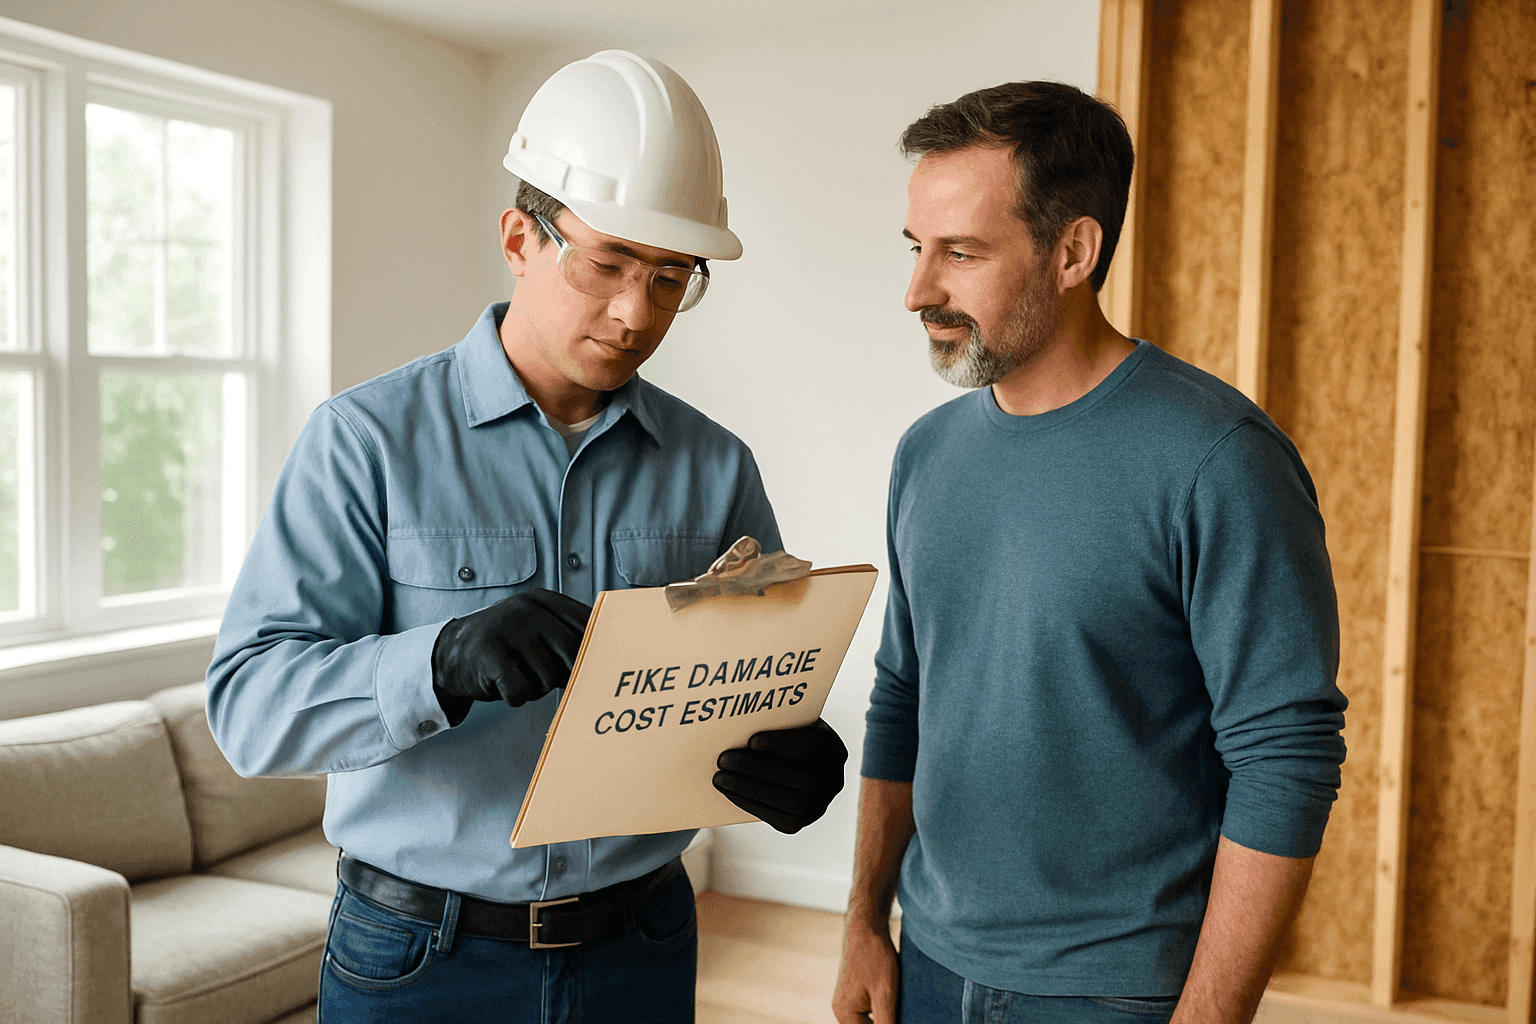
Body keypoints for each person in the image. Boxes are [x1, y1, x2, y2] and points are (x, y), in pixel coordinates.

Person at [207, 50, 847, 1024]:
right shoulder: (364, 443)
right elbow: (248, 708)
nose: (636, 312)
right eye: (608, 265)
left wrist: (791, 759)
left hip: (643, 950)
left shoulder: (719, 469)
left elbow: (743, 692)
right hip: (421, 963)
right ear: (519, 235)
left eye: (672, 278)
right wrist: (436, 664)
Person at [831, 81, 1348, 1024]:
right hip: (929, 963)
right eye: (917, 248)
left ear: (1073, 251)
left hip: (1121, 993)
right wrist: (865, 919)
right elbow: (902, 693)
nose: (918, 291)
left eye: (962, 253)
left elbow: (1286, 755)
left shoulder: (1219, 460)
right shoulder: (927, 454)